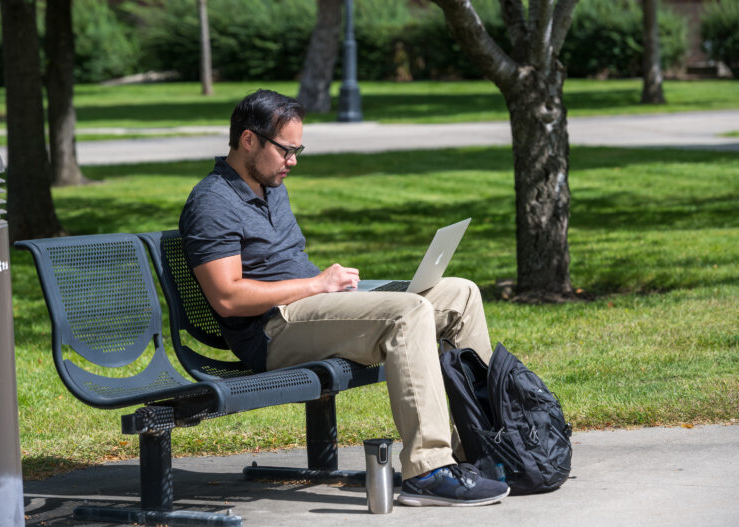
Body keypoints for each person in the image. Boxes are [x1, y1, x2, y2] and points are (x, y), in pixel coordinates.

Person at [179, 89, 509, 507]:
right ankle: (428, 470)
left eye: (298, 150)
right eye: (285, 150)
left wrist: (337, 291)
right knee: (408, 313)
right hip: (272, 330)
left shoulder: (270, 185)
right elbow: (227, 297)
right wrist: (318, 285)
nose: (293, 161)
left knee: (460, 293)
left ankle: (484, 447)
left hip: (312, 310)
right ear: (248, 140)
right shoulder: (212, 202)